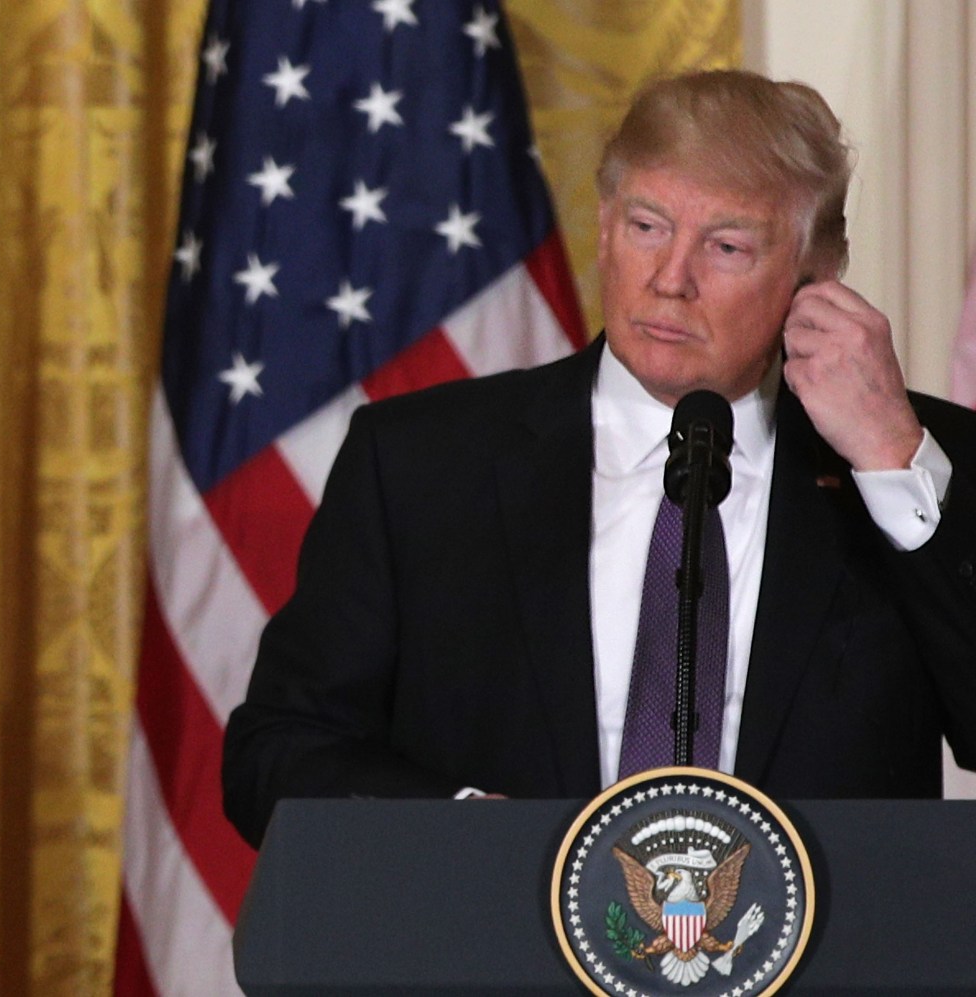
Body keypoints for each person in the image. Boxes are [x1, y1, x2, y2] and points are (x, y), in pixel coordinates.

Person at [221, 69, 976, 849]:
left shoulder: (921, 461)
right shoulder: (420, 464)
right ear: (607, 228)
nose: (670, 280)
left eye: (726, 246)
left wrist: (892, 459)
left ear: (814, 279)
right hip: (495, 924)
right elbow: (276, 753)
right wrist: (463, 833)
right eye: (648, 226)